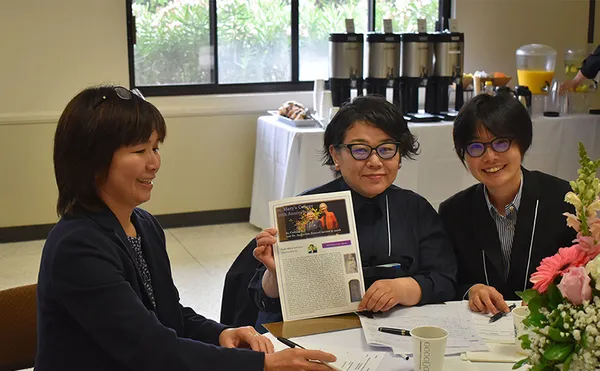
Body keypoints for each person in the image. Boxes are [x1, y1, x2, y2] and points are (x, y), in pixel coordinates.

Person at [35, 85, 335, 371]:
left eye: (155, 148)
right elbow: (150, 350)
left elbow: (167, 315)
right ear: (92, 161)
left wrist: (220, 333)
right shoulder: (77, 247)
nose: (154, 162)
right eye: (139, 151)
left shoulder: (143, 225)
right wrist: (262, 365)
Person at [249, 95, 458, 331]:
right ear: (336, 155)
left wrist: (404, 289)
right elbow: (263, 300)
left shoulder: (416, 209)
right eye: (360, 150)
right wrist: (276, 274)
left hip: (398, 333)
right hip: (321, 333)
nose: (375, 161)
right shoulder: (305, 211)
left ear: (400, 156)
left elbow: (446, 279)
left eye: (387, 149)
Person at [438, 94, 576, 315]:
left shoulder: (564, 200)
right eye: (475, 147)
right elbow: (447, 279)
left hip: (549, 327)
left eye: (501, 142)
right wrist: (472, 290)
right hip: (481, 331)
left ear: (522, 143)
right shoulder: (453, 212)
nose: (490, 156)